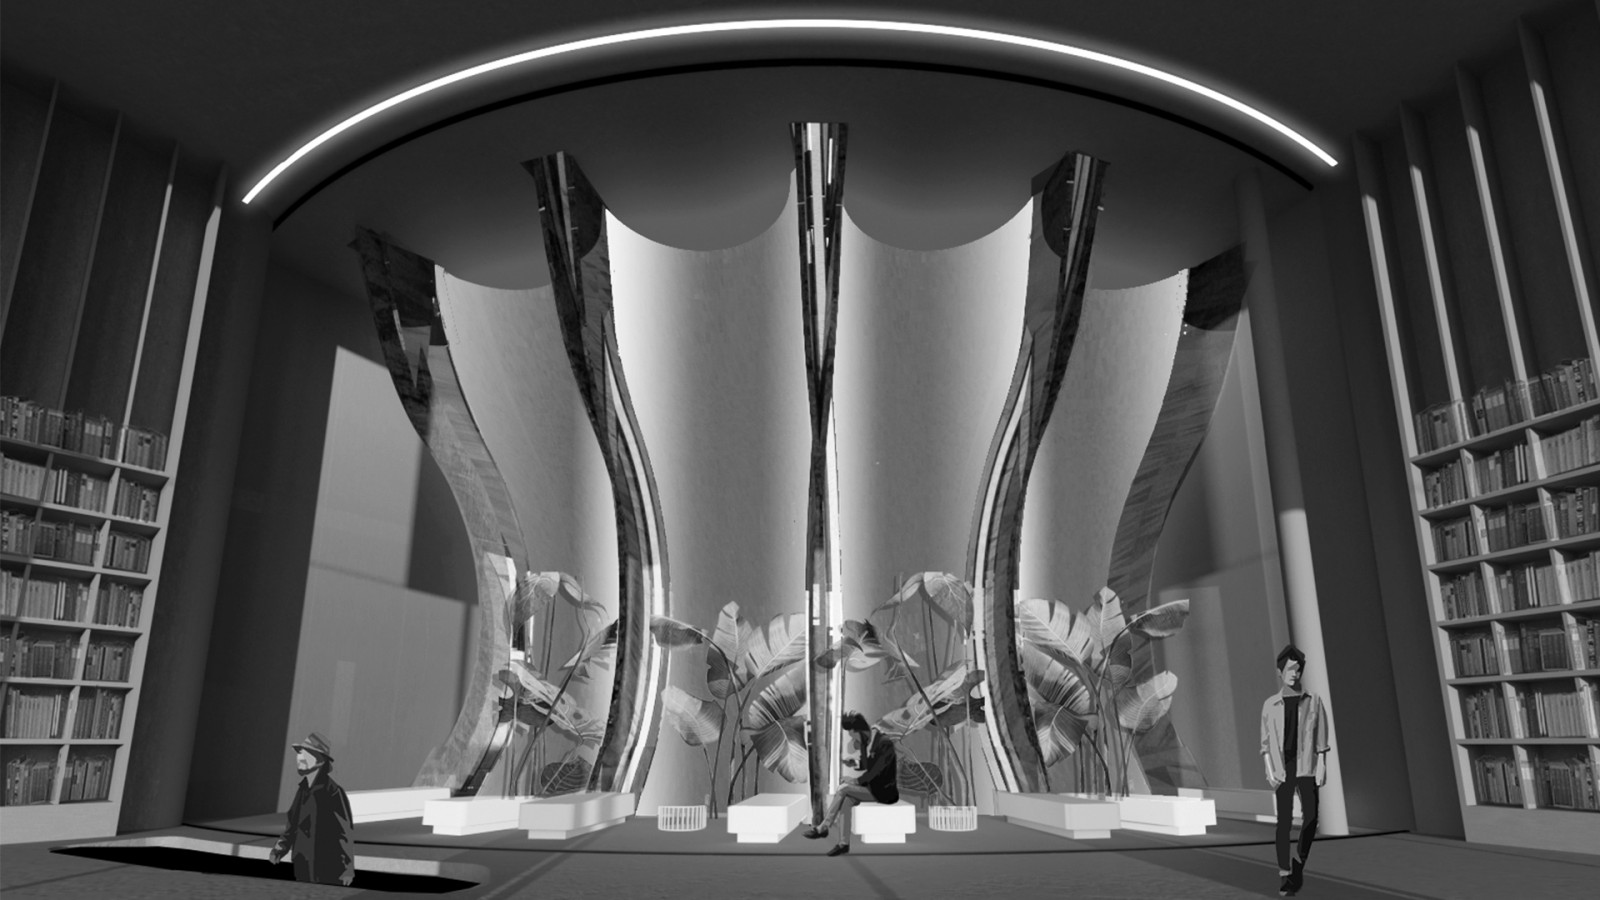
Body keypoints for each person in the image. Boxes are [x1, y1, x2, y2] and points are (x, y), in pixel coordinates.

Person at [1260, 645, 1329, 897]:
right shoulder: (1270, 704)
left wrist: (1322, 764)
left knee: (1311, 817)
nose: (1294, 674)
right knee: (1284, 822)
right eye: (1290, 669)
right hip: (1282, 768)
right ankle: (1284, 873)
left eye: (1298, 669)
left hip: (1307, 765)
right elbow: (1265, 743)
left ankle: (1299, 863)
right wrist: (1269, 770)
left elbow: (1321, 736)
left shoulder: (1314, 700)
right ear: (1280, 672)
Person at [803, 710, 898, 857]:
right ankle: (843, 844)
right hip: (870, 788)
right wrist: (855, 763)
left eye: (853, 735)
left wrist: (855, 781)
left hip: (884, 792)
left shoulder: (884, 743)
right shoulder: (866, 742)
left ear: (861, 731)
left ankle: (823, 827)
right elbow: (869, 765)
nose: (853, 739)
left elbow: (877, 771)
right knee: (846, 801)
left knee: (843, 789)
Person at [269, 732, 355, 886]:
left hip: (327, 867)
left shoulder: (333, 791)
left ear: (320, 760)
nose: (299, 757)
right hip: (302, 863)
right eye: (299, 752)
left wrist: (347, 869)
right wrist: (279, 849)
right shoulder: (302, 789)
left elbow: (344, 832)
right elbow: (292, 824)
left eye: (305, 753)